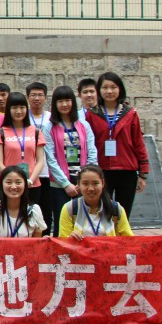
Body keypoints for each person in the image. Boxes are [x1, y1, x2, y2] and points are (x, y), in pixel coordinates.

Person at [85, 72, 149, 218]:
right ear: (99, 90)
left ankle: (121, 234)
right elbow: (88, 144)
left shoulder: (130, 113)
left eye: (113, 87)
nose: (109, 91)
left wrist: (143, 174)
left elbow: (138, 143)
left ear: (120, 89)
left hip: (127, 170)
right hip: (101, 170)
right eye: (105, 87)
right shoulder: (92, 114)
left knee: (123, 215)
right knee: (102, 213)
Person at [42, 85, 98, 237]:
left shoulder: (84, 125)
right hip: (60, 184)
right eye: (60, 101)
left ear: (73, 102)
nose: (64, 104)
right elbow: (50, 158)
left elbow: (92, 152)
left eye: (67, 100)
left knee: (85, 224)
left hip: (83, 182)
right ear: (55, 104)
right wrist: (66, 184)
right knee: (62, 225)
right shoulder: (49, 127)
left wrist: (85, 179)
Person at [0, 92, 46, 220]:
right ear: (8, 109)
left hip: (32, 184)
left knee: (31, 219)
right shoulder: (1, 132)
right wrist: (13, 180)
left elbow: (40, 161)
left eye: (22, 107)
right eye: (14, 107)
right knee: (8, 219)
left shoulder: (36, 131)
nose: (19, 111)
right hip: (8, 185)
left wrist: (30, 181)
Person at [59, 165, 133, 239]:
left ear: (103, 183)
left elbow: (129, 240)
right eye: (85, 184)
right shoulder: (69, 208)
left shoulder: (116, 209)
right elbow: (63, 241)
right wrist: (70, 238)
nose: (91, 188)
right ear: (78, 184)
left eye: (95, 183)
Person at [0, 166, 46, 237]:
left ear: (25, 185)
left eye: (18, 182)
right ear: (1, 184)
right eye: (9, 182)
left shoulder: (34, 211)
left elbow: (37, 242)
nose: (14, 187)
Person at [25, 81, 54, 232]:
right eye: (33, 95)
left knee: (47, 210)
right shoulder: (24, 118)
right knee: (30, 210)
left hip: (48, 171)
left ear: (45, 97)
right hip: (30, 173)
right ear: (27, 97)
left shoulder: (51, 117)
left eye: (40, 95)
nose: (37, 98)